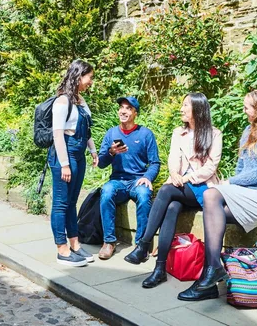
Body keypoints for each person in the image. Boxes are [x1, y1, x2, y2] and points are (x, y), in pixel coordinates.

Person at [178, 89, 257, 302]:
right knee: (215, 210)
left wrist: (231, 183)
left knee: (211, 195)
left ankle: (210, 272)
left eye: (247, 108)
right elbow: (241, 168)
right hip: (247, 193)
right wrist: (235, 183)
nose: (244, 111)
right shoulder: (248, 131)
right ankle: (211, 274)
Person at [125, 93, 223, 292]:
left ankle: (143, 245)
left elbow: (210, 168)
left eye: (185, 105)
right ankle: (159, 268)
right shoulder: (179, 132)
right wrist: (174, 173)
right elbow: (173, 158)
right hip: (179, 189)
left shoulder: (214, 134)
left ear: (197, 109)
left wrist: (185, 178)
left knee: (166, 190)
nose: (181, 109)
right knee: (171, 207)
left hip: (202, 188)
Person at [96, 96, 160, 260]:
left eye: (128, 108)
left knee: (144, 195)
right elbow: (101, 163)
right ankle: (109, 242)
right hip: (118, 181)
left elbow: (155, 163)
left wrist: (147, 177)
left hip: (138, 180)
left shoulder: (145, 134)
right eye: (121, 108)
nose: (123, 111)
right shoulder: (111, 133)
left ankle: (141, 246)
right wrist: (111, 152)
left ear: (135, 113)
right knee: (107, 191)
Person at [49, 59, 99, 267]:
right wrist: (64, 164)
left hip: (79, 154)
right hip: (65, 154)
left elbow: (86, 129)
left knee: (71, 203)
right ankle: (62, 249)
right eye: (89, 77)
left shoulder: (80, 100)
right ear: (79, 76)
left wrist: (93, 150)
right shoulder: (62, 102)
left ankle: (75, 245)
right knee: (61, 204)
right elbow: (58, 135)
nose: (91, 82)